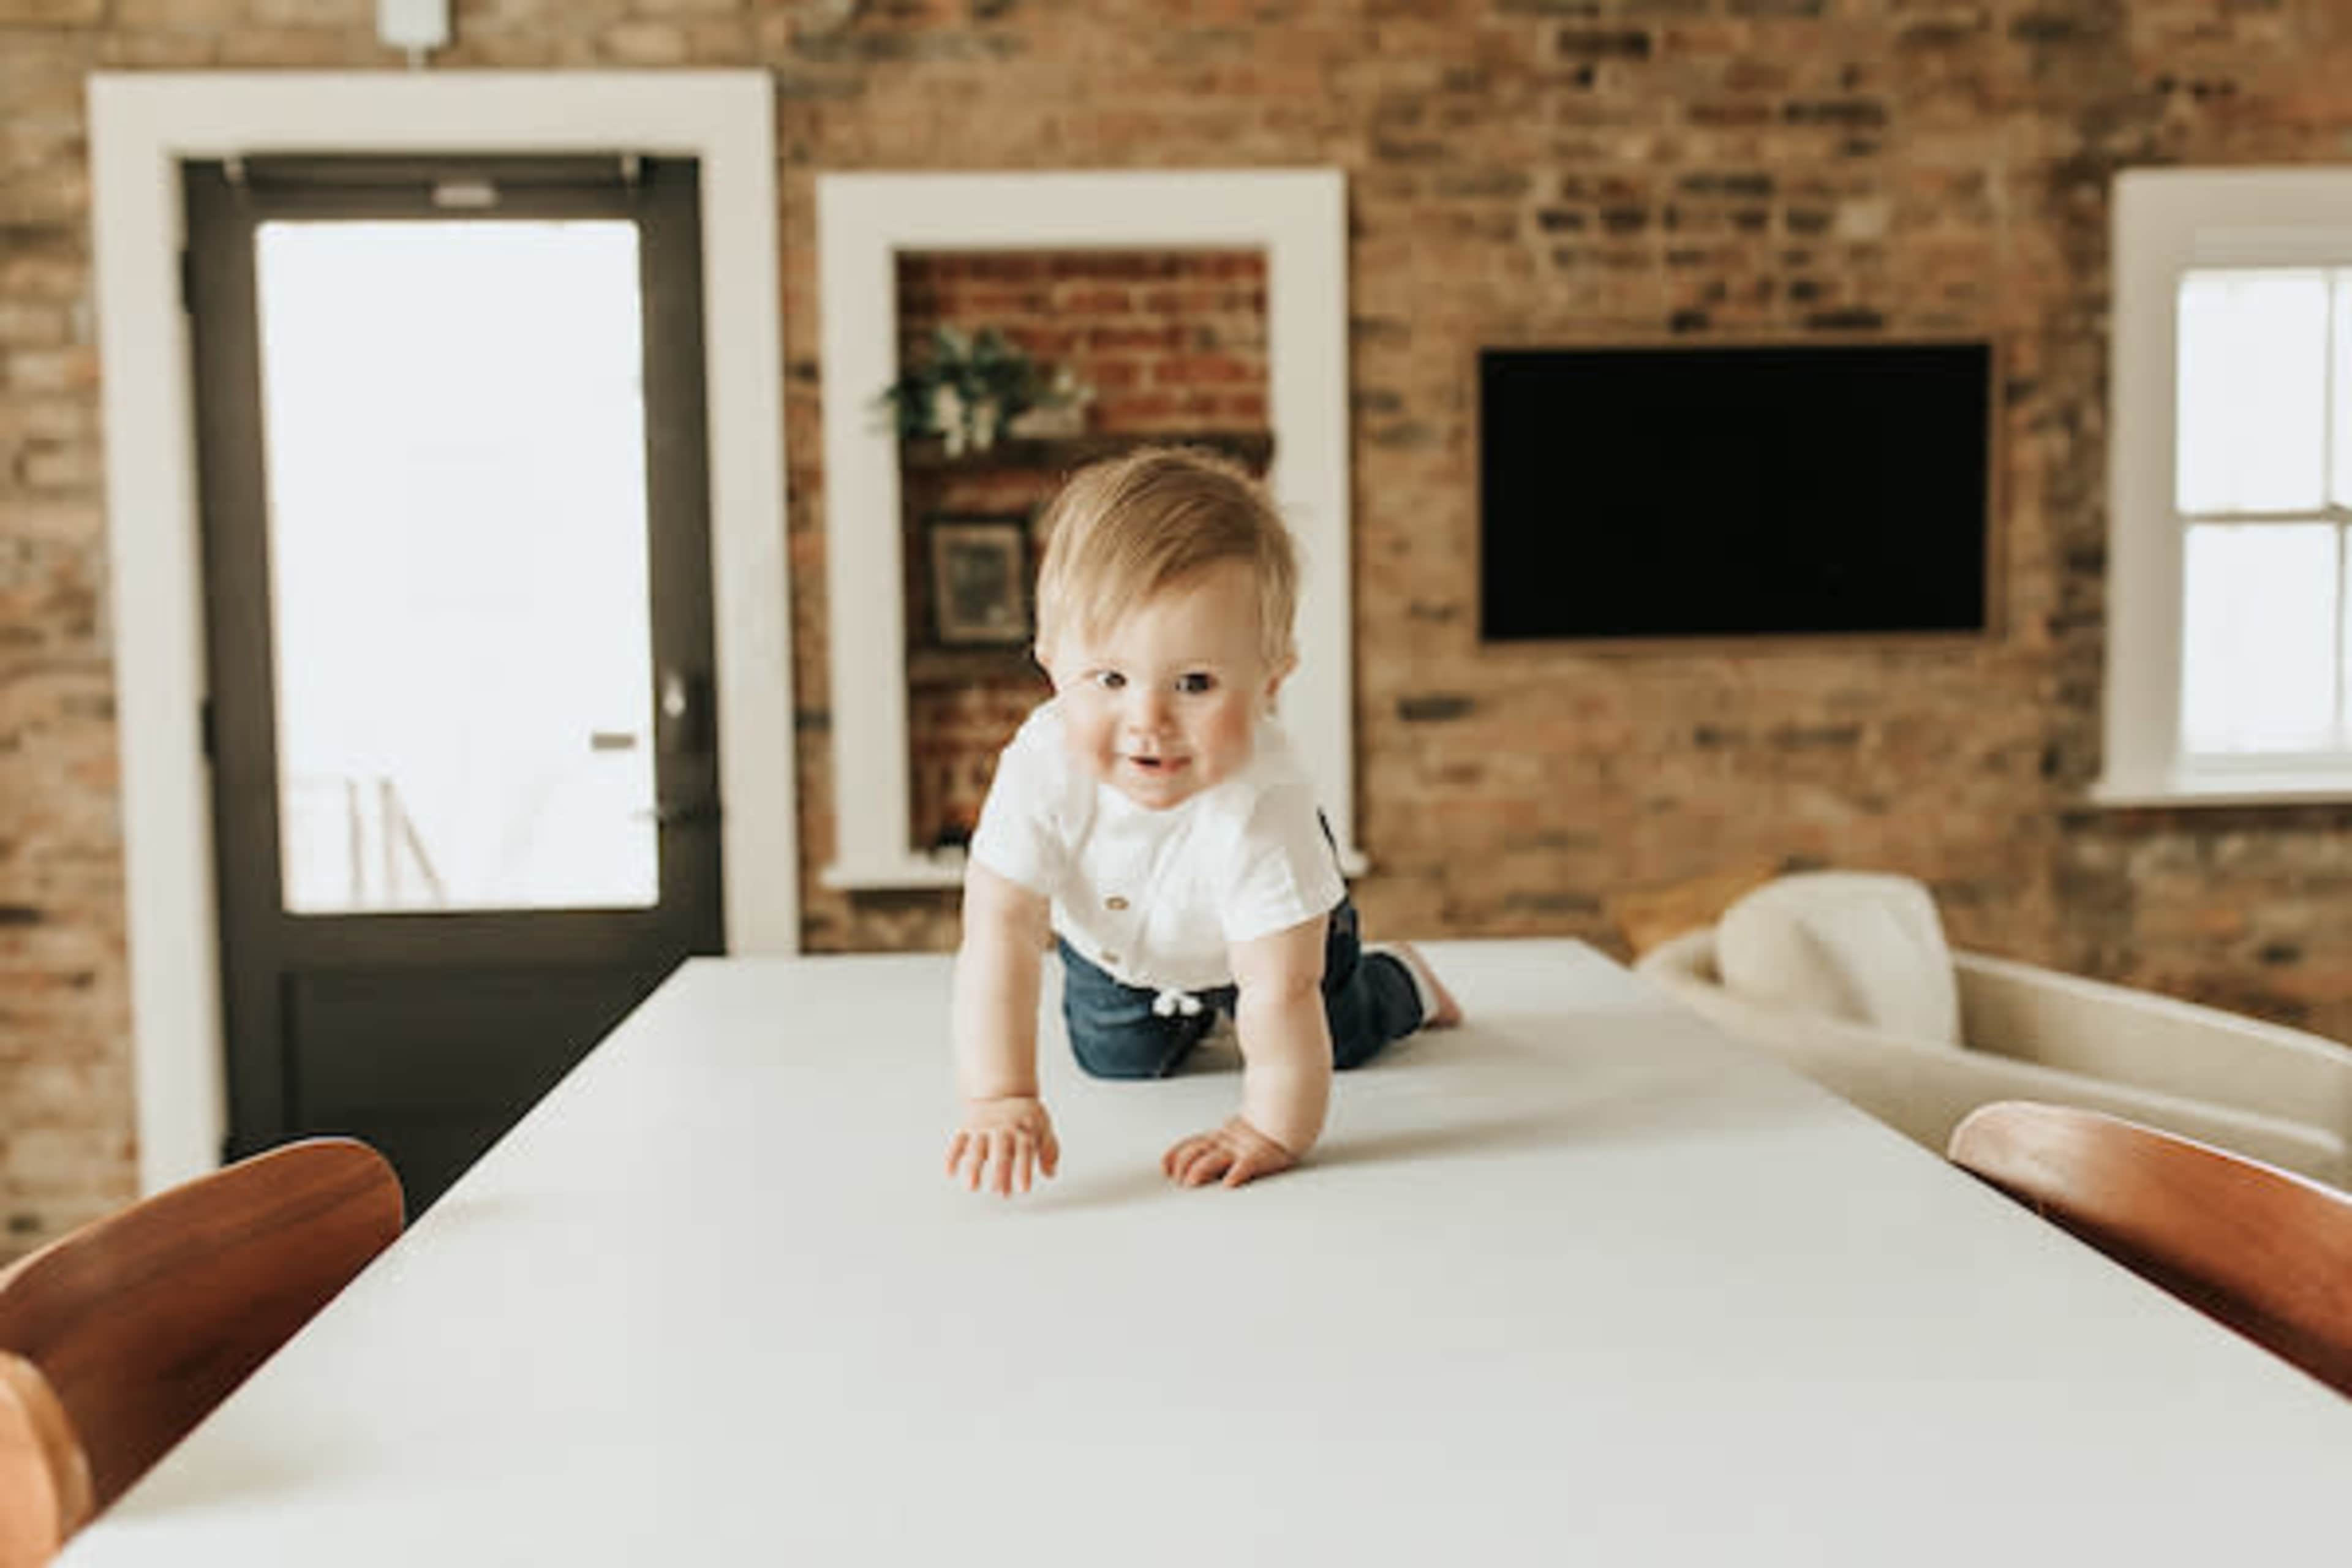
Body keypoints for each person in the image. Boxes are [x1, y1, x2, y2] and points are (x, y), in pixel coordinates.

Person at [943, 445, 1460, 1199]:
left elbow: (1282, 987)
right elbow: (1000, 929)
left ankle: (1404, 980)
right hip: (1116, 947)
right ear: (1052, 663)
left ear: (1270, 681)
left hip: (1269, 945)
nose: (1147, 721)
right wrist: (1001, 1096)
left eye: (1194, 683)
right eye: (1110, 679)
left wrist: (1270, 1129)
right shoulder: (1042, 765)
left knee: (1336, 1037)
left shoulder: (1262, 804)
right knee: (1116, 1061)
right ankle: (1186, 1018)